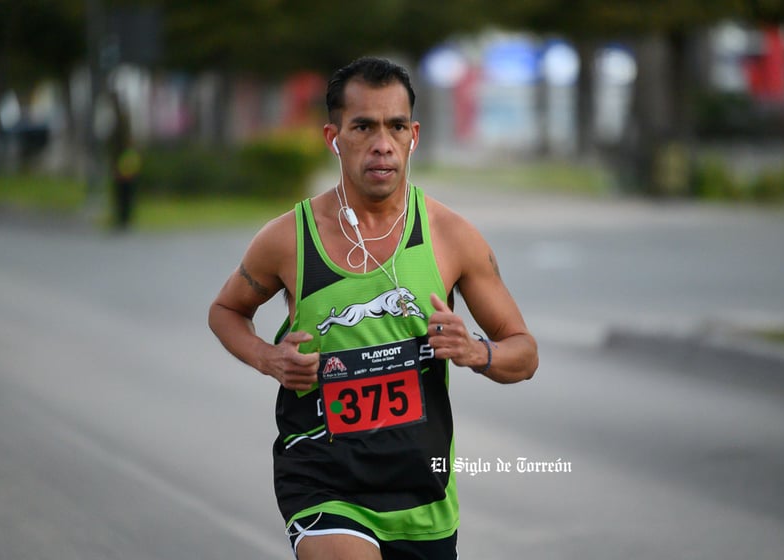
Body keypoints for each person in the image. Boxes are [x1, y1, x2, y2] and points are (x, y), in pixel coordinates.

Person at [208, 56, 538, 560]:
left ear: (414, 135)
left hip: (421, 496)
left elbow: (525, 352)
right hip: (322, 477)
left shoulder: (451, 237)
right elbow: (226, 311)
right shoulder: (288, 239)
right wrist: (268, 359)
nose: (382, 143)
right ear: (333, 137)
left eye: (396, 126)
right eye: (363, 127)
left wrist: (477, 351)